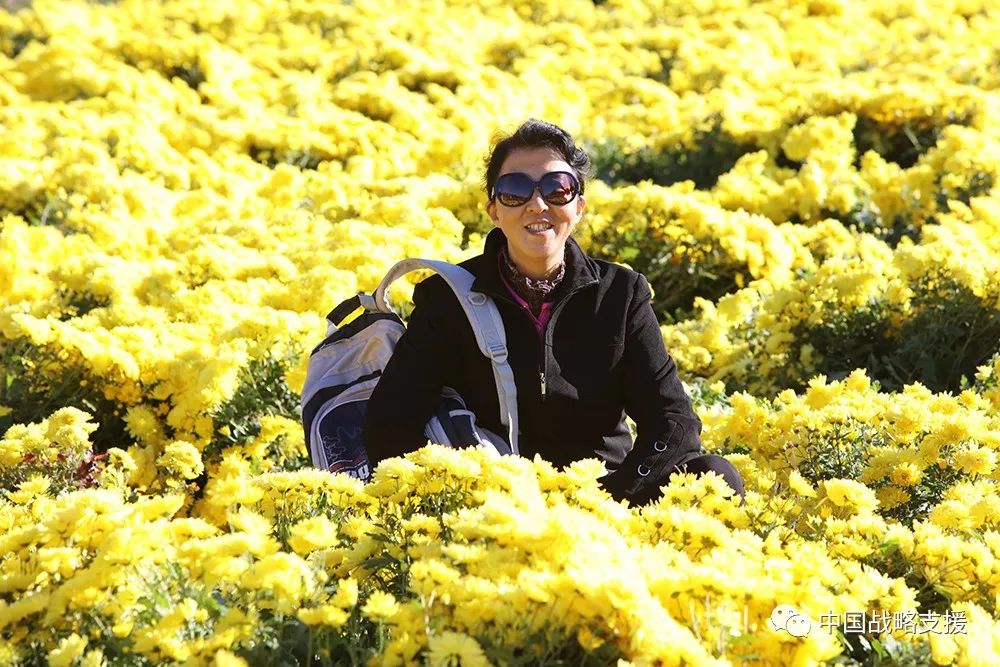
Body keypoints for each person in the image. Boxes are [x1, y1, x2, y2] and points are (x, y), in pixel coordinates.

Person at [362, 119, 745, 506]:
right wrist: (462, 496)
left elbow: (674, 423)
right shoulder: (448, 298)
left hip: (608, 494)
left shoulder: (621, 295)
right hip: (497, 508)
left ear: (579, 206)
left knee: (716, 477)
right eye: (514, 191)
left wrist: (613, 498)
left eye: (556, 189)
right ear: (493, 210)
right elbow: (390, 426)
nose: (538, 205)